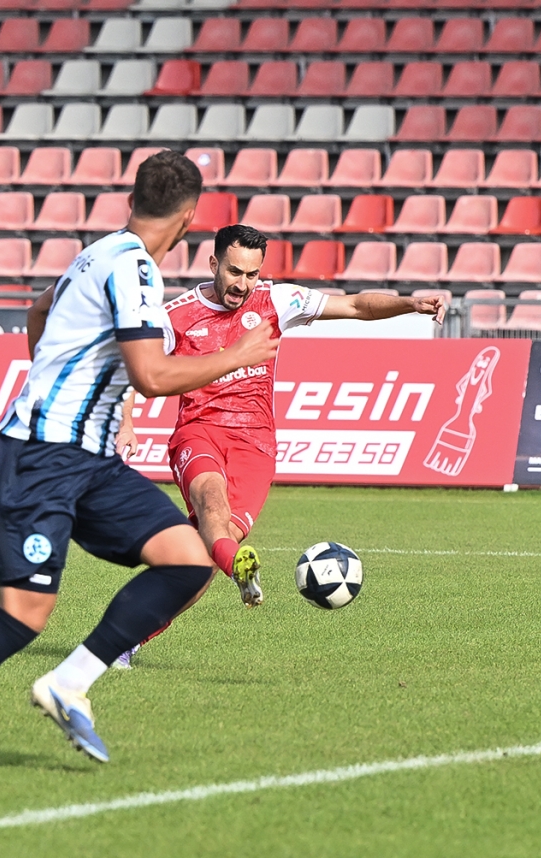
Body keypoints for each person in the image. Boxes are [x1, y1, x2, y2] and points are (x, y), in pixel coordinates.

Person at [0, 151, 279, 771]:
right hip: (44, 458)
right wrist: (237, 353)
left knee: (189, 559)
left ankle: (68, 683)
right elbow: (151, 375)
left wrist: (56, 387)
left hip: (87, 459)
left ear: (133, 200)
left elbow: (37, 310)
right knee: (23, 615)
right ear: (190, 217)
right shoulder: (134, 269)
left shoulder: (97, 252)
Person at [118, 224, 445, 628]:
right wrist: (127, 421)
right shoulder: (176, 315)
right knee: (211, 503)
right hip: (199, 431)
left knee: (202, 556)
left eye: (252, 274)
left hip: (255, 446)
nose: (242, 285)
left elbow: (356, 306)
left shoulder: (277, 299)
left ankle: (131, 638)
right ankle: (237, 565)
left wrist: (410, 303)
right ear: (213, 263)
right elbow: (134, 370)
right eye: (234, 272)